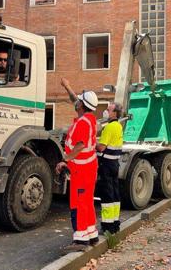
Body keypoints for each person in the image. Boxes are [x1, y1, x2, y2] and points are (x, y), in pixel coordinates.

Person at [55, 78, 99, 251]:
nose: (76, 101)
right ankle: (91, 235)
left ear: (82, 105)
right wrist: (67, 86)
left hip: (82, 170)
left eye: (79, 100)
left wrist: (65, 159)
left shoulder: (82, 123)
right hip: (87, 168)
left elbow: (80, 146)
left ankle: (80, 240)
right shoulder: (89, 118)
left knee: (79, 203)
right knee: (87, 202)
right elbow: (76, 100)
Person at [96, 102, 124, 234]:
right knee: (114, 193)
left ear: (114, 113)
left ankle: (107, 226)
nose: (105, 111)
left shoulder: (109, 127)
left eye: (108, 109)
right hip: (114, 164)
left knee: (107, 195)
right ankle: (115, 223)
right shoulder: (118, 126)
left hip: (106, 165)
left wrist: (91, 139)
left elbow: (101, 147)